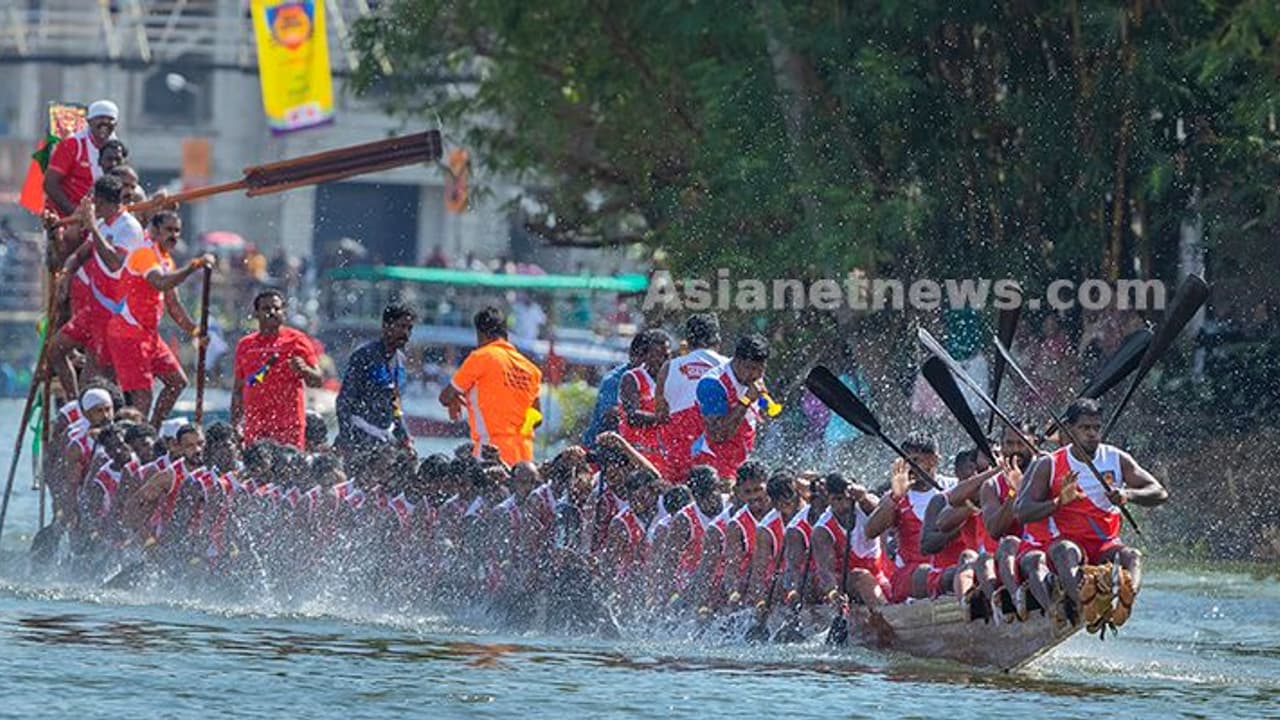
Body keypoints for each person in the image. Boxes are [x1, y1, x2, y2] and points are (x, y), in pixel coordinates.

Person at [1016, 398, 1168, 627]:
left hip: (1105, 543)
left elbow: (1159, 492)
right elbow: (1022, 512)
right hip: (1066, 542)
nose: (1092, 434)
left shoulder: (1116, 458)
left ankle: (1124, 604)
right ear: (1069, 429)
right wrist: (1059, 501)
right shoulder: (1049, 464)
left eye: (1097, 428)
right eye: (1085, 428)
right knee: (1066, 551)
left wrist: (1128, 495)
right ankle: (1085, 608)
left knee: (1133, 556)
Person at [105, 210, 212, 426]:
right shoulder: (144, 254)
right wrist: (192, 267)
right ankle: (137, 442)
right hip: (128, 333)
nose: (173, 235)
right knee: (143, 398)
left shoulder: (166, 260)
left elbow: (173, 304)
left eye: (177, 231)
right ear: (154, 231)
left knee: (177, 382)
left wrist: (194, 330)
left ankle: (151, 430)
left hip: (149, 335)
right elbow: (160, 282)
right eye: (168, 230)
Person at [49, 176, 148, 396]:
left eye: (95, 202)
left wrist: (93, 227)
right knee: (55, 350)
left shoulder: (129, 228)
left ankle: (93, 416)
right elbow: (80, 255)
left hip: (114, 313)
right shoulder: (104, 224)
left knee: (94, 378)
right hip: (92, 311)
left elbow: (115, 264)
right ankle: (75, 405)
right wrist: (65, 274)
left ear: (103, 203)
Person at [439, 306, 543, 465]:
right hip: (525, 458)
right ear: (505, 333)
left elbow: (445, 397)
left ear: (481, 334)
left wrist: (456, 398)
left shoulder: (482, 356)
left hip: (491, 453)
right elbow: (537, 417)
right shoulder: (531, 369)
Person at [231, 289, 323, 448]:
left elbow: (318, 381)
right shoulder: (245, 345)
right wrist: (235, 425)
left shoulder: (297, 340)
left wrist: (305, 370)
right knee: (256, 471)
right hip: (255, 426)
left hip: (288, 426)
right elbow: (238, 389)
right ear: (256, 314)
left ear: (284, 312)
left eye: (277, 308)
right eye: (266, 309)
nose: (272, 312)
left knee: (290, 471)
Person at [335, 304, 414, 455]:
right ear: (386, 326)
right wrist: (346, 438)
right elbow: (344, 401)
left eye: (409, 328)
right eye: (401, 326)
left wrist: (404, 437)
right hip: (359, 434)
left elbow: (395, 404)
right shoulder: (364, 356)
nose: (406, 333)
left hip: (384, 439)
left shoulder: (401, 361)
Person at [656, 313, 727, 482]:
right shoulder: (729, 367)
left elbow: (661, 414)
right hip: (716, 456)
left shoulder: (668, 368)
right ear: (717, 339)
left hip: (677, 457)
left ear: (687, 340)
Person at [692, 334, 771, 479]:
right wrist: (746, 400)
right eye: (750, 368)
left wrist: (765, 404)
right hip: (714, 464)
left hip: (742, 462)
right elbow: (718, 435)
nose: (756, 374)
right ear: (737, 361)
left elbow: (764, 416)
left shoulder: (754, 378)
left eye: (761, 369)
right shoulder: (712, 383)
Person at [44, 100, 118, 217]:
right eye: (100, 118)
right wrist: (73, 212)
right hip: (66, 218)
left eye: (110, 119)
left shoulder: (117, 149)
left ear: (116, 124)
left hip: (98, 219)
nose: (105, 122)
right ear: (89, 121)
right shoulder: (72, 144)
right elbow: (49, 184)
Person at [617, 328, 671, 476]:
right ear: (646, 356)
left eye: (666, 356)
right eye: (657, 355)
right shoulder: (631, 378)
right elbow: (632, 416)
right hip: (635, 456)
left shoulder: (672, 380)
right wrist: (661, 418)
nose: (663, 361)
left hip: (662, 458)